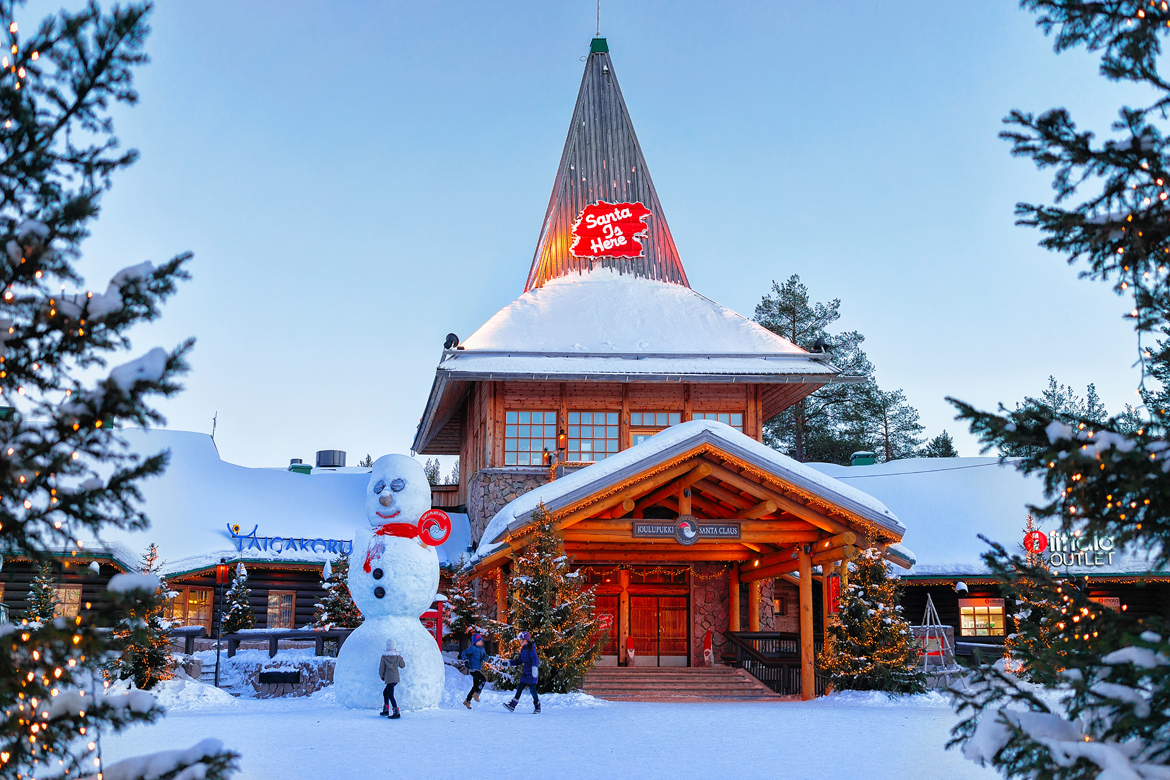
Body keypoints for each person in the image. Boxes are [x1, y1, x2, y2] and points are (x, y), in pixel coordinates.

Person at [504, 631, 540, 714]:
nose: (520, 641)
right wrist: (509, 663)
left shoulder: (531, 649)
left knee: (532, 691)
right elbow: (519, 661)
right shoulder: (523, 650)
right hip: (525, 672)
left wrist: (534, 668)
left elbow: (535, 659)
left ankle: (537, 706)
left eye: (521, 640)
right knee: (519, 688)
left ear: (526, 640)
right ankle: (512, 705)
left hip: (532, 673)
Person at [379, 638, 406, 719]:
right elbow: (402, 665)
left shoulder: (384, 657)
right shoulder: (397, 656)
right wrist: (401, 659)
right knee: (385, 693)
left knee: (390, 695)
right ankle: (386, 709)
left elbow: (381, 668)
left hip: (388, 678)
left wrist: (382, 676)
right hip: (395, 678)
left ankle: (396, 711)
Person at [461, 634, 488, 710]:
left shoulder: (482, 650)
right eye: (479, 641)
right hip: (473, 669)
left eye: (481, 641)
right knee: (483, 679)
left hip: (478, 669)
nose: (480, 642)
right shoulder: (472, 648)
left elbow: (485, 658)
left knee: (475, 685)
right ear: (475, 642)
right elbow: (464, 653)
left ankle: (467, 701)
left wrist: (486, 658)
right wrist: (466, 661)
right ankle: (477, 693)